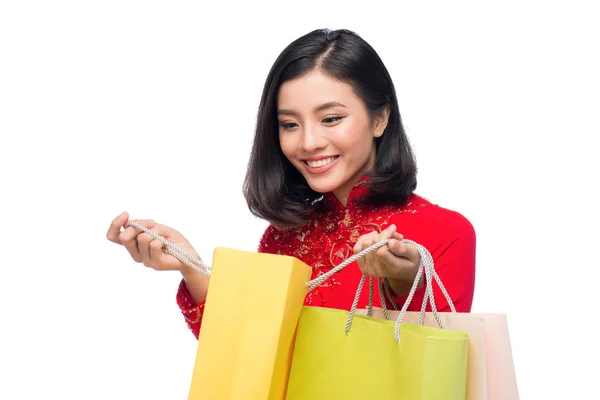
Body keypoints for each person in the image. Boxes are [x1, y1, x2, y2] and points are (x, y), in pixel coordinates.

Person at [106, 28, 476, 340]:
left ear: (380, 119)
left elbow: (434, 366)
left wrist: (403, 278)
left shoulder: (445, 232)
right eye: (289, 124)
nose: (309, 142)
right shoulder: (283, 237)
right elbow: (247, 351)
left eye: (331, 118)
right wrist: (192, 267)